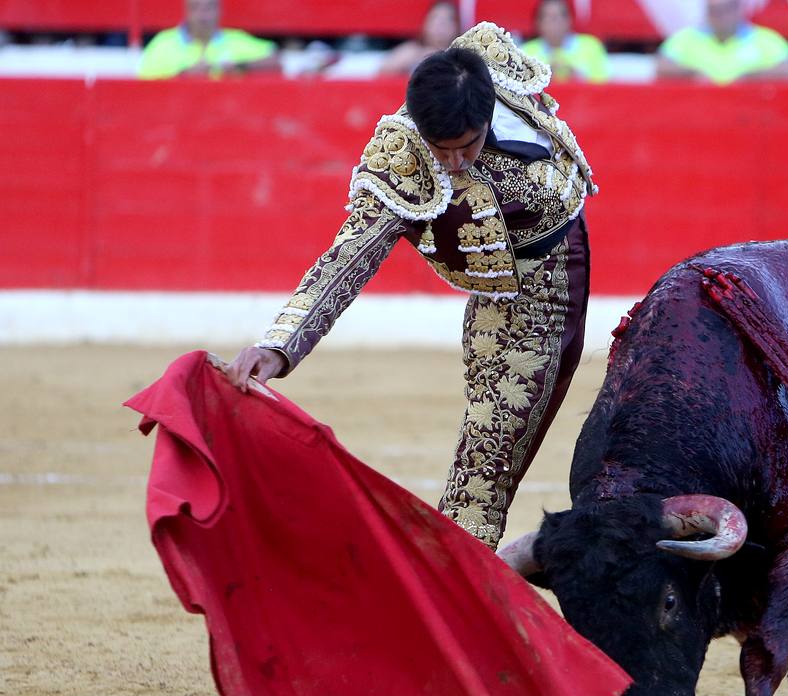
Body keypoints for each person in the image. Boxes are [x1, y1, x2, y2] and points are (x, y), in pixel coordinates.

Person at [225, 23, 597, 550]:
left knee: (490, 456)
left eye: (464, 148)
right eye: (438, 149)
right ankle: (449, 598)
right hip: (511, 301)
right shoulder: (402, 157)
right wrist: (278, 347)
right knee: (483, 469)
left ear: (486, 114)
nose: (451, 163)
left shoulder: (489, 67)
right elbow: (347, 259)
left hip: (561, 276)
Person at [655, 0, 788, 85]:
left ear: (738, 8)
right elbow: (662, 65)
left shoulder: (765, 39)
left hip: (752, 115)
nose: (719, 16)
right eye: (713, 11)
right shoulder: (687, 38)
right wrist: (694, 74)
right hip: (697, 112)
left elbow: (787, 68)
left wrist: (749, 78)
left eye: (725, 9)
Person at [139, 0, 278, 79]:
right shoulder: (163, 43)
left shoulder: (236, 40)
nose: (202, 15)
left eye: (208, 8)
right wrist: (183, 77)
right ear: (187, 11)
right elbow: (144, 88)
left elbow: (276, 61)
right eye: (196, 8)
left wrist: (239, 67)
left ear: (219, 10)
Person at [521, 0, 609, 83]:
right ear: (537, 22)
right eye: (548, 18)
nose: (554, 23)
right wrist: (545, 77)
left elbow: (604, 85)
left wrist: (576, 76)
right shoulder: (525, 52)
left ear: (569, 20)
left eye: (558, 17)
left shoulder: (591, 46)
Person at [379, 1, 461, 77]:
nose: (441, 25)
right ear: (426, 23)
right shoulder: (410, 51)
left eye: (447, 20)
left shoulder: (461, 58)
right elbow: (382, 74)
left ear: (457, 27)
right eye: (436, 18)